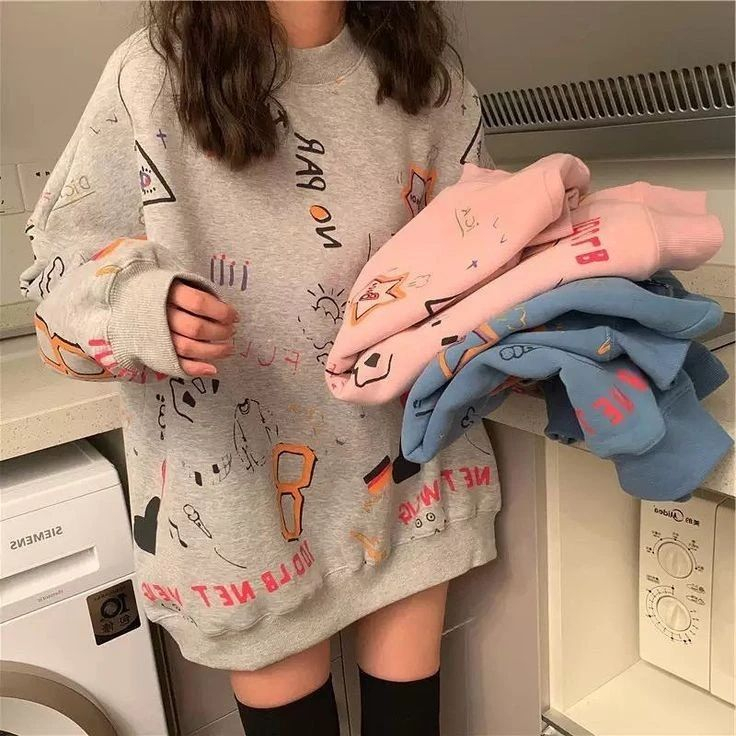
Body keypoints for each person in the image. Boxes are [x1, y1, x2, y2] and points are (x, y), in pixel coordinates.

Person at [21, 2, 501, 733]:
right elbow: (58, 268)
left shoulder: (428, 77)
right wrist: (143, 308)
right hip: (241, 501)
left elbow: (483, 240)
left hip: (409, 467)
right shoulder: (153, 73)